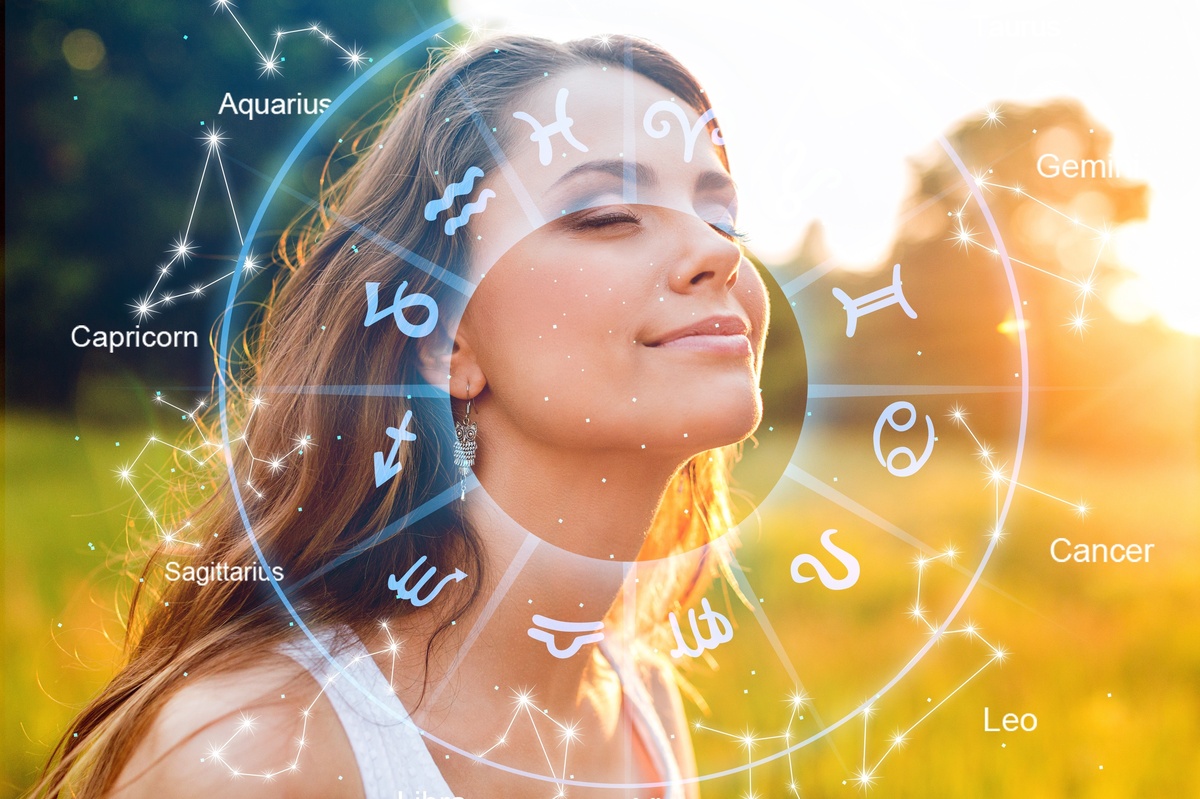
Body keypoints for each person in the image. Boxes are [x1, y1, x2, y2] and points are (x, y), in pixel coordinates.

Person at [34, 33, 769, 799]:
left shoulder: (642, 702)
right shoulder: (249, 753)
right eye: (607, 214)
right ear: (444, 333)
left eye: (723, 217)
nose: (716, 252)